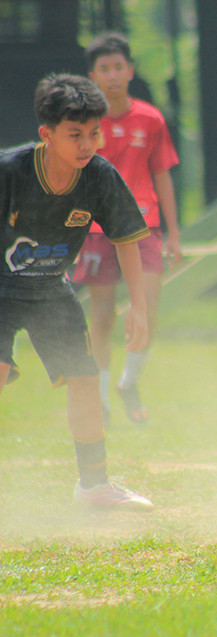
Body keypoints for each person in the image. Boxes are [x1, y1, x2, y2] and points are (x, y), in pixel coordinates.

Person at [0, 73, 154, 510]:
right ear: (46, 134)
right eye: (75, 135)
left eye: (93, 133)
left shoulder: (99, 176)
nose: (87, 144)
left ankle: (94, 486)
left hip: (51, 287)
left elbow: (127, 238)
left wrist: (137, 307)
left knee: (85, 380)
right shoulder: (9, 171)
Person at [72, 33, 181, 424]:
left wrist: (175, 233)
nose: (113, 75)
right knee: (102, 315)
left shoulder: (151, 119)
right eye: (104, 68)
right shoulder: (84, 123)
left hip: (145, 226)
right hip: (98, 230)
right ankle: (99, 397)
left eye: (118, 67)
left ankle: (128, 383)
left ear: (130, 71)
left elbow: (163, 174)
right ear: (93, 76)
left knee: (147, 307)